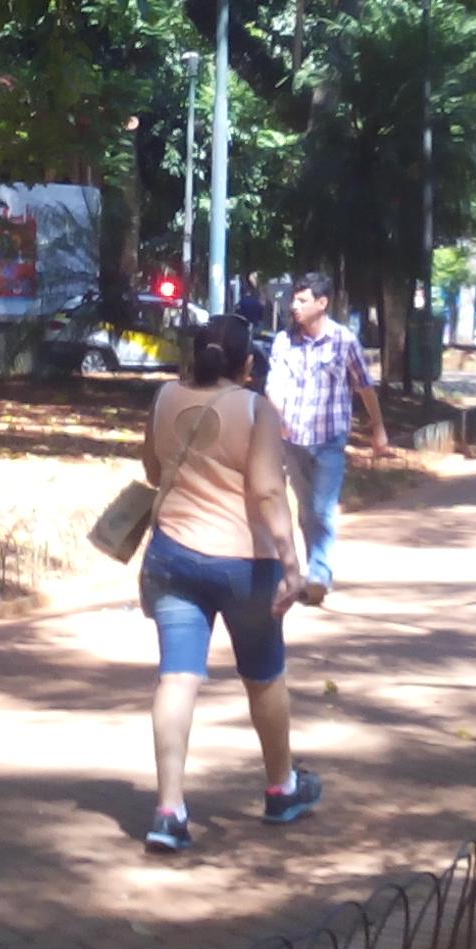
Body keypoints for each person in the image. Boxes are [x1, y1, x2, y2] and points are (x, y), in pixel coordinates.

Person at [139, 312, 322, 851]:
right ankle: (281, 787)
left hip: (174, 556)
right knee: (263, 676)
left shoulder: (164, 397)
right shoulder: (257, 408)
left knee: (177, 677)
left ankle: (169, 810)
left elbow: (153, 470)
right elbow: (267, 492)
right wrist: (292, 564)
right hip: (246, 564)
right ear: (248, 362)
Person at [258, 269, 389, 603]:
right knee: (305, 508)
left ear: (322, 303)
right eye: (294, 300)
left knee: (322, 507)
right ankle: (313, 570)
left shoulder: (344, 340)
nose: (294, 307)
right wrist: (278, 418)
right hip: (293, 438)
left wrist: (378, 428)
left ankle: (319, 573)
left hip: (330, 438)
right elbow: (276, 383)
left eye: (302, 301)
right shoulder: (285, 340)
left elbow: (364, 386)